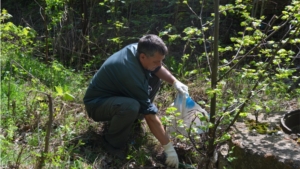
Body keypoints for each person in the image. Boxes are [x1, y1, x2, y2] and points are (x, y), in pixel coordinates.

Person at [83, 34, 188, 168]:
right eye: (156, 61)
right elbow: (150, 116)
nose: (160, 65)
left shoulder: (138, 50)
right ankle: (112, 144)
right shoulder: (129, 72)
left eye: (161, 61)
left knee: (155, 77)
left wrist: (175, 82)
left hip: (117, 94)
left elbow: (157, 68)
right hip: (97, 104)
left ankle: (133, 119)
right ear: (143, 57)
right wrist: (169, 148)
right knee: (131, 107)